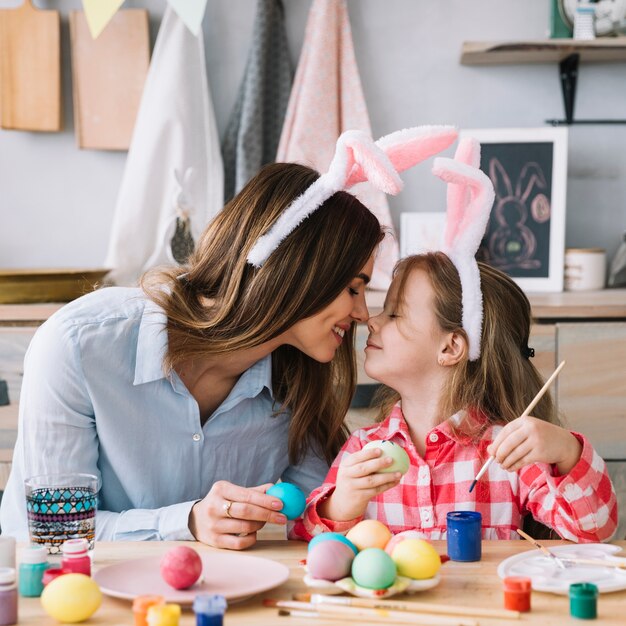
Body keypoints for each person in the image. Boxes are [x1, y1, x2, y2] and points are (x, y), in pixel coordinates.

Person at [0, 125, 458, 548]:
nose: (362, 313)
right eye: (353, 288)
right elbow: (53, 534)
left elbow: (318, 516)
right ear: (297, 272)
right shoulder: (80, 346)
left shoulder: (299, 380)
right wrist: (188, 522)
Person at [292, 139, 618, 543]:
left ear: (450, 347)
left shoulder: (506, 450)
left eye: (394, 313)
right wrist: (340, 505)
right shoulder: (365, 449)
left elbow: (595, 531)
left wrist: (566, 451)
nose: (371, 321)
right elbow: (309, 545)